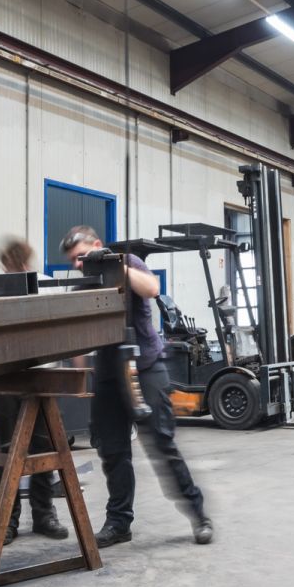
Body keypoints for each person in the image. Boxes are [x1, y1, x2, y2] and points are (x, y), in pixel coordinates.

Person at [61, 225, 213, 547]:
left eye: (82, 256)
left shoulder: (128, 262)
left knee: (162, 443)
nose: (78, 264)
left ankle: (199, 515)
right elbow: (76, 329)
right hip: (107, 372)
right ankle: (119, 523)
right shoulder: (84, 283)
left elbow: (152, 288)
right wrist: (80, 371)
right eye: (73, 260)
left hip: (144, 366)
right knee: (112, 451)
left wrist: (121, 268)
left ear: (97, 245)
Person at [0, 236, 66, 543]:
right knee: (6, 452)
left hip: (41, 378)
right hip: (4, 380)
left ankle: (44, 516)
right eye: (9, 264)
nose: (14, 268)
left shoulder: (46, 286)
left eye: (17, 263)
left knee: (44, 449)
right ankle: (6, 519)